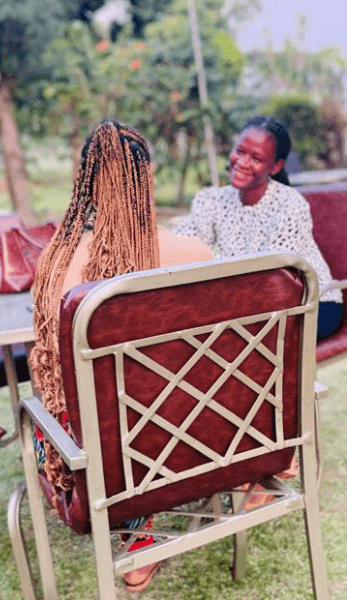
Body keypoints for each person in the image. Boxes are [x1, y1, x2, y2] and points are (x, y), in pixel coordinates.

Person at [28, 120, 213, 592]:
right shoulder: (192, 252)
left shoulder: (55, 263)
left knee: (50, 407)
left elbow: (50, 371)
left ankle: (136, 530)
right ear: (145, 179)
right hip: (195, 434)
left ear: (85, 185)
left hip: (105, 451)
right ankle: (142, 528)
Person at [172, 116, 344, 341]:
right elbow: (181, 246)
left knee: (224, 338)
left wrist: (206, 262)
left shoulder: (289, 205)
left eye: (256, 158)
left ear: (275, 166)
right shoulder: (213, 200)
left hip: (311, 304)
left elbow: (269, 278)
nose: (242, 162)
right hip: (250, 307)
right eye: (240, 151)